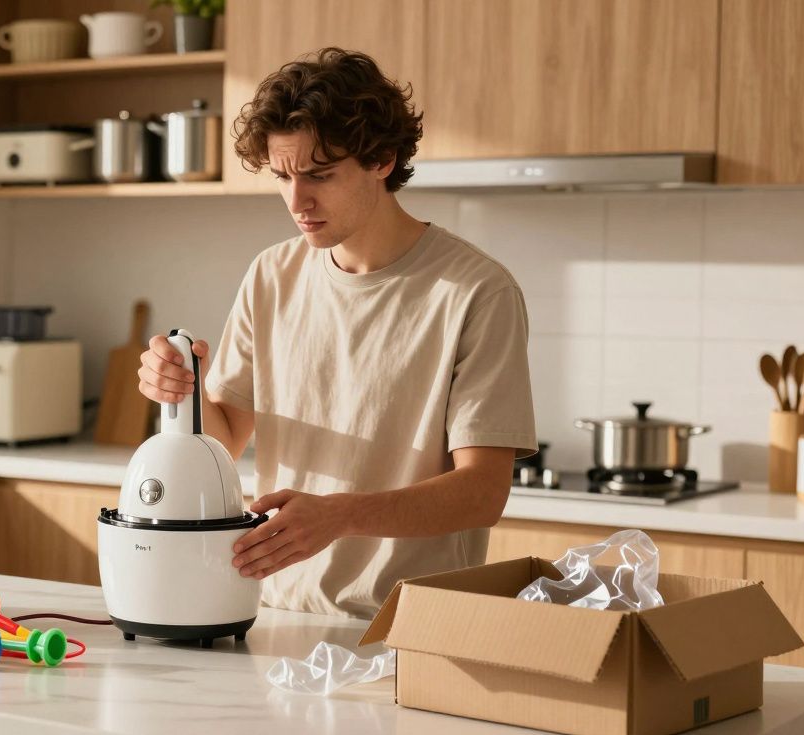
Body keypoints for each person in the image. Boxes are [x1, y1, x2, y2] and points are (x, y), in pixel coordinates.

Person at [136, 48, 537, 618]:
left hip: (411, 628)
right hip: (274, 610)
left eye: (320, 176)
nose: (297, 202)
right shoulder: (272, 275)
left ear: (381, 160)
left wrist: (341, 514)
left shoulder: (475, 291)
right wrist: (183, 388)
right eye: (282, 177)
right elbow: (223, 439)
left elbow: (483, 493)